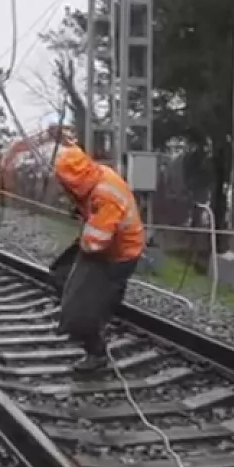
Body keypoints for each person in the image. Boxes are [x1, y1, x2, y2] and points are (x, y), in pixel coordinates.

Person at [49, 144, 144, 372]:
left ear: (74, 180)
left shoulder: (105, 196)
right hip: (105, 247)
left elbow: (94, 243)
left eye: (65, 183)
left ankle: (96, 351)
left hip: (116, 255)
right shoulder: (94, 177)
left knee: (82, 307)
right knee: (60, 275)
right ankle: (87, 312)